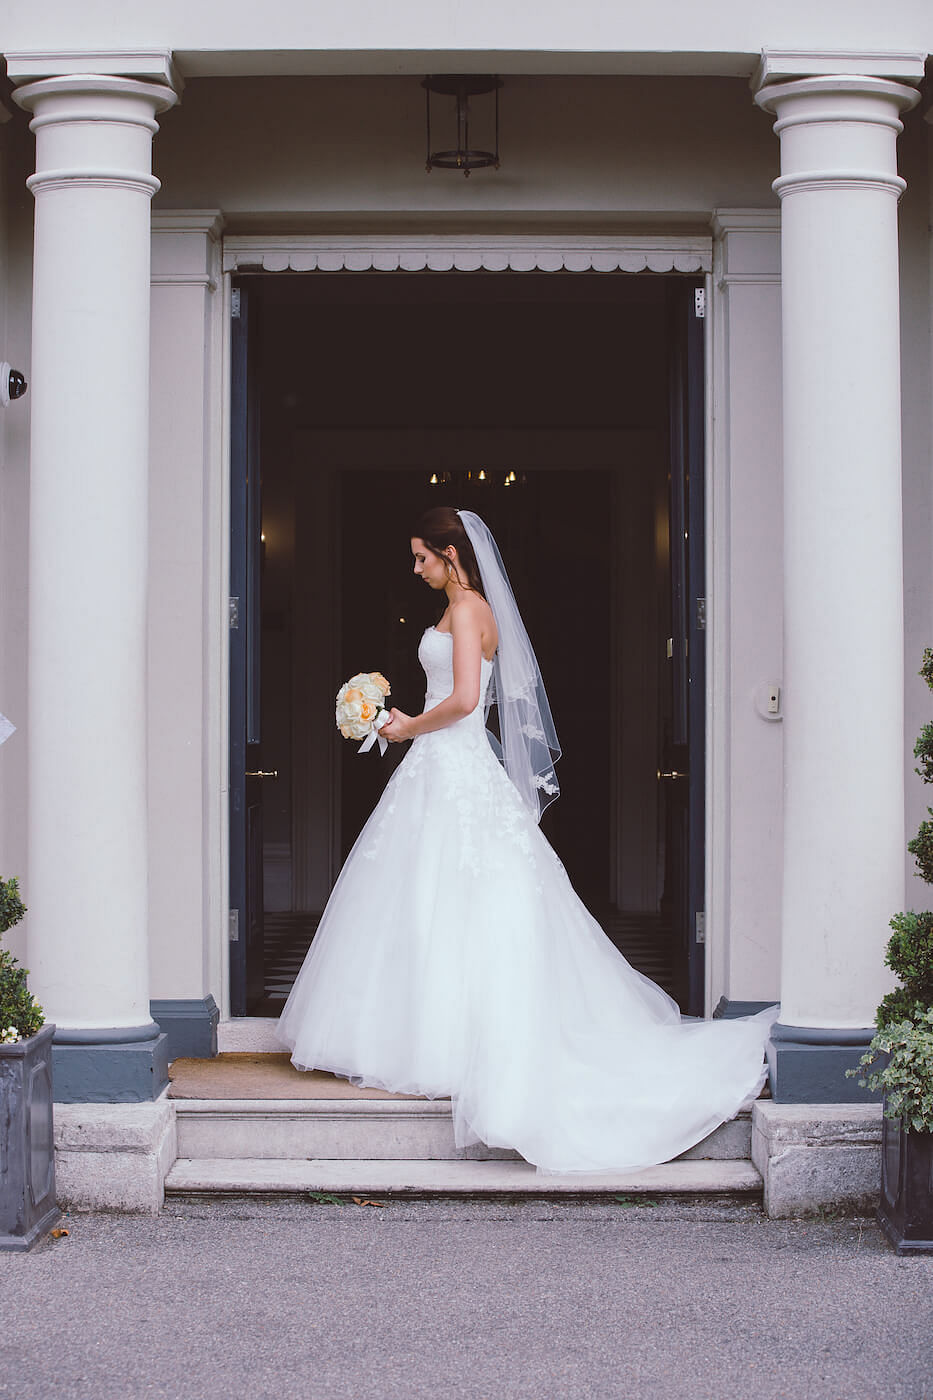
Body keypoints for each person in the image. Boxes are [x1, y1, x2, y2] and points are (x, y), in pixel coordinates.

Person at [277, 505, 777, 1176]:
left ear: (451, 555)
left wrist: (401, 727)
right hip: (447, 767)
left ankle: (443, 1046)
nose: (415, 567)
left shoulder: (464, 611)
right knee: (431, 896)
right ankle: (426, 1041)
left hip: (449, 760)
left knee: (446, 895)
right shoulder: (468, 610)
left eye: (422, 556)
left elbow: (459, 703)